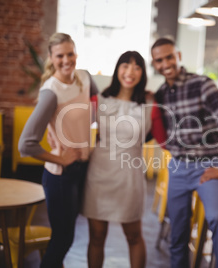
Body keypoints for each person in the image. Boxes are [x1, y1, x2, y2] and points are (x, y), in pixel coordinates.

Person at [151, 37, 218, 268]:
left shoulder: (202, 85)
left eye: (169, 57)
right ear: (154, 64)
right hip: (177, 167)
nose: (165, 64)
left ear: (179, 56)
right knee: (178, 230)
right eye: (159, 60)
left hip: (207, 166)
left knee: (217, 217)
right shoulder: (161, 93)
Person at [18, 32, 99, 268]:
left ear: (76, 53)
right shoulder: (50, 91)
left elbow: (96, 110)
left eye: (70, 54)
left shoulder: (84, 78)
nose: (66, 60)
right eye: (60, 55)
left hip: (82, 168)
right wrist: (59, 159)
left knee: (63, 236)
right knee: (63, 239)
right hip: (61, 176)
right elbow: (26, 144)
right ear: (51, 58)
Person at [81, 51, 155, 268]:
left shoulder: (150, 103)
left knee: (134, 236)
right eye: (125, 66)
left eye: (137, 67)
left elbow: (162, 133)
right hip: (99, 172)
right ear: (117, 69)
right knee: (96, 236)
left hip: (129, 174)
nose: (130, 72)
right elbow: (77, 126)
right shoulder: (99, 99)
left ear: (143, 73)